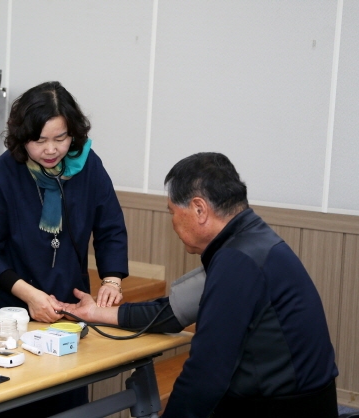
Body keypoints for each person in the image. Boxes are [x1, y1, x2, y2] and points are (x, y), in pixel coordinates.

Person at [65, 152, 339, 418]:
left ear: (199, 209)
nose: (173, 222)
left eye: (172, 212)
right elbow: (173, 312)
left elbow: (206, 374)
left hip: (280, 406)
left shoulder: (236, 261)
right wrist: (97, 313)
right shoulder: (249, 241)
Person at [0, 81, 128, 415]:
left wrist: (112, 280)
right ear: (21, 136)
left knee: (67, 401)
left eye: (60, 138)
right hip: (15, 311)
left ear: (74, 133)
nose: (51, 150)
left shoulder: (87, 167)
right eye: (39, 140)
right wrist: (30, 297)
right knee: (16, 402)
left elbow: (110, 226)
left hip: (71, 308)